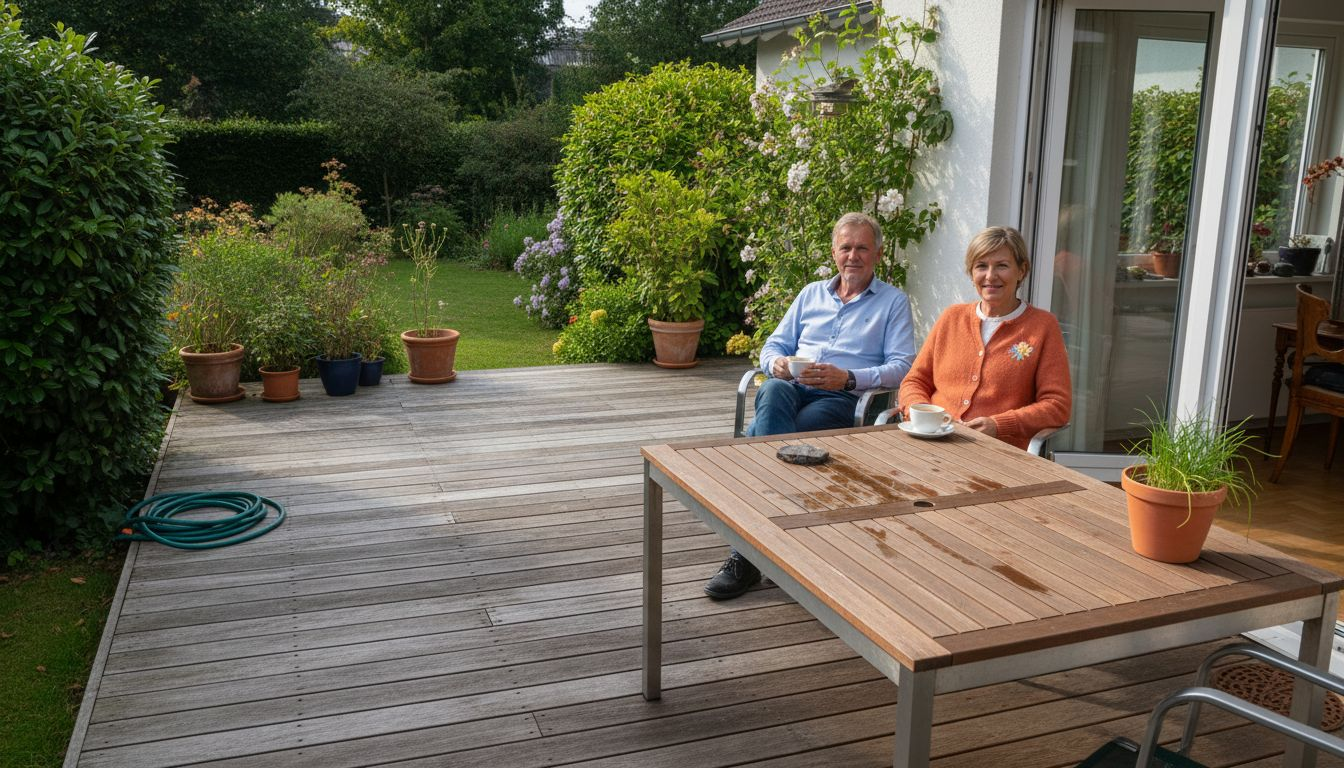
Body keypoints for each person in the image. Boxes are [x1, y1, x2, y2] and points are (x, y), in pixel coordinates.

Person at [704, 212, 916, 600]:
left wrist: (848, 378)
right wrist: (777, 364)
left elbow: (902, 366)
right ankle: (776, 543)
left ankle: (746, 553)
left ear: (879, 254)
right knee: (771, 391)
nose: (853, 256)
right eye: (846, 247)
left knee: (768, 438)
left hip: (842, 400)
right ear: (834, 252)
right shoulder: (810, 294)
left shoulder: (892, 303)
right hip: (793, 387)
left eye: (862, 248)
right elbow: (773, 346)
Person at [898, 226, 1071, 451]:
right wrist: (923, 413)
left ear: (1021, 271)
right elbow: (914, 381)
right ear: (971, 274)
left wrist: (998, 425)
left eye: (1002, 265)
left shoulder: (1042, 326)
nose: (990, 276)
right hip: (931, 443)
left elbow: (1057, 406)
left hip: (996, 452)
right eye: (981, 266)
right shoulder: (952, 317)